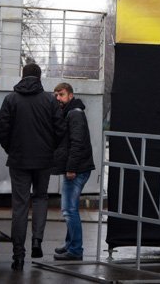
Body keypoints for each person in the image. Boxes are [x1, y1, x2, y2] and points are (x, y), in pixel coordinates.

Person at [0, 62, 66, 271]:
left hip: (18, 160)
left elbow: (1, 130)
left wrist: (12, 149)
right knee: (41, 198)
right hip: (43, 161)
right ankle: (37, 241)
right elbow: (60, 130)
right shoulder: (49, 100)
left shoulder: (11, 99)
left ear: (22, 76)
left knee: (20, 205)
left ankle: (18, 256)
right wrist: (49, 149)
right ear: (39, 77)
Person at [51, 82, 95, 261]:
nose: (58, 98)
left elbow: (77, 143)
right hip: (77, 168)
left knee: (69, 210)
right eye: (56, 95)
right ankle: (70, 244)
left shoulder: (75, 113)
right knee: (70, 209)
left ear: (70, 95)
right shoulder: (69, 112)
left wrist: (71, 168)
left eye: (61, 94)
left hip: (77, 170)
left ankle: (76, 250)